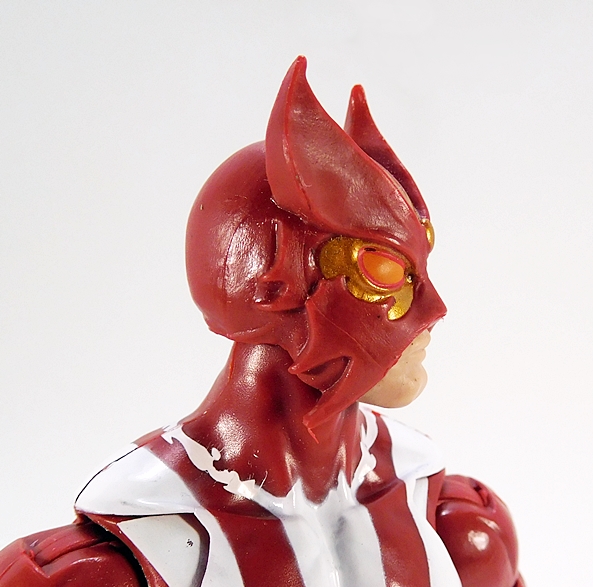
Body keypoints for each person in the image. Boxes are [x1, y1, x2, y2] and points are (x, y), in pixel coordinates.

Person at [0, 57, 523, 587]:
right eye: (385, 271)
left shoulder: (448, 516)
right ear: (273, 289)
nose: (434, 308)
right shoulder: (130, 552)